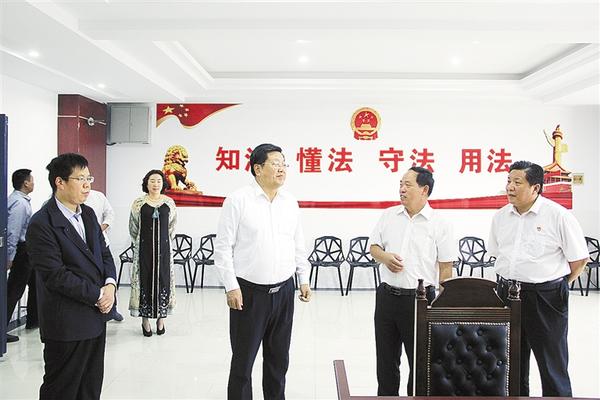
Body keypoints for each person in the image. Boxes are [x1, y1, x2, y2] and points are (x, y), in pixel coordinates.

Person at [214, 143, 312, 400]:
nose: (282, 169)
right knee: (243, 363)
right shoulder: (238, 200)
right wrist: (231, 286)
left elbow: (297, 242)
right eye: (275, 163)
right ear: (257, 169)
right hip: (249, 294)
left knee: (278, 360)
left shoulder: (289, 202)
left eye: (284, 163)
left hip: (284, 292)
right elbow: (223, 247)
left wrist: (303, 278)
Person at [489, 160, 588, 397]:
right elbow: (496, 253)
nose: (510, 187)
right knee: (510, 362)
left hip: (545, 297)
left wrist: (555, 285)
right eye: (508, 181)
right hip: (506, 294)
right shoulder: (501, 216)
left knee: (551, 362)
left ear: (535, 188)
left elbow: (579, 260)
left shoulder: (558, 216)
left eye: (517, 182)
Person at [26, 153, 117, 400]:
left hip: (95, 319)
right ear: (60, 182)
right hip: (66, 323)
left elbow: (104, 253)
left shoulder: (88, 214)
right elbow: (55, 275)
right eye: (80, 179)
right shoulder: (42, 223)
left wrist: (110, 285)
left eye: (89, 178)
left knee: (90, 387)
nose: (87, 185)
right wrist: (98, 295)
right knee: (62, 389)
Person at [369, 167, 455, 396]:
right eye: (400, 184)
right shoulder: (389, 215)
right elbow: (374, 247)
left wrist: (443, 308)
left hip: (420, 301)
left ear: (424, 190)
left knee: (420, 363)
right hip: (387, 297)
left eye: (407, 185)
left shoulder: (439, 223)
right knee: (386, 361)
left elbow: (446, 268)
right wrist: (385, 257)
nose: (402, 189)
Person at [128, 169, 176, 336]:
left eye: (159, 181)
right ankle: (145, 321)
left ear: (163, 184)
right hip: (144, 250)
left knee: (163, 280)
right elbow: (133, 227)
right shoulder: (138, 203)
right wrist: (141, 242)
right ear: (146, 183)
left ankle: (161, 319)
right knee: (145, 281)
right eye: (152, 181)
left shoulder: (169, 203)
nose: (156, 184)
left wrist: (164, 241)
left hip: (164, 250)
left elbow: (172, 226)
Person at [5, 169, 37, 343]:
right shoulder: (19, 204)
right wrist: (10, 257)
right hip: (20, 251)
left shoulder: (18, 200)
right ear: (25, 183)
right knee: (14, 290)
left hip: (25, 250)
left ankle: (34, 319)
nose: (33, 183)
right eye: (31, 180)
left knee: (35, 283)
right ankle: (1, 329)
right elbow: (13, 232)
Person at [85, 189, 123, 322]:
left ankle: (113, 308)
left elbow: (110, 214)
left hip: (100, 240)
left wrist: (101, 228)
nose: (85, 183)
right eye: (80, 179)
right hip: (83, 244)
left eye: (88, 179)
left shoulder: (98, 196)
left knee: (107, 274)